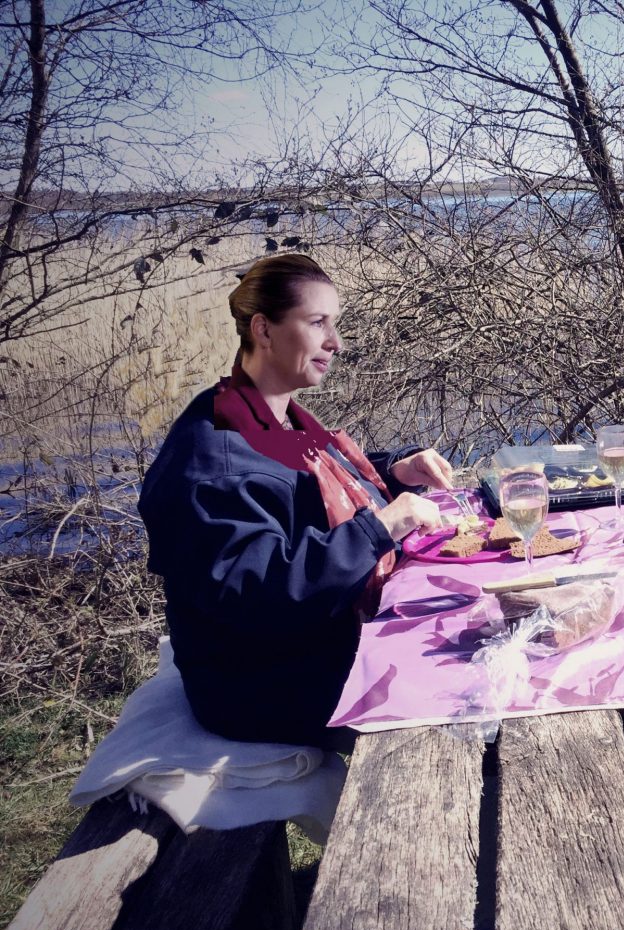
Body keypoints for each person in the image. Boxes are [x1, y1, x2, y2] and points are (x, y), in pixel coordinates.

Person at [138, 254, 450, 748]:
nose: (335, 342)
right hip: (264, 684)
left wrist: (395, 470)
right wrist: (379, 528)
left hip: (310, 646)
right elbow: (258, 590)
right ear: (263, 330)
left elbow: (311, 483)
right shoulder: (214, 460)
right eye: (317, 323)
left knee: (474, 632)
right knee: (462, 694)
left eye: (335, 324)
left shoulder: (263, 415)